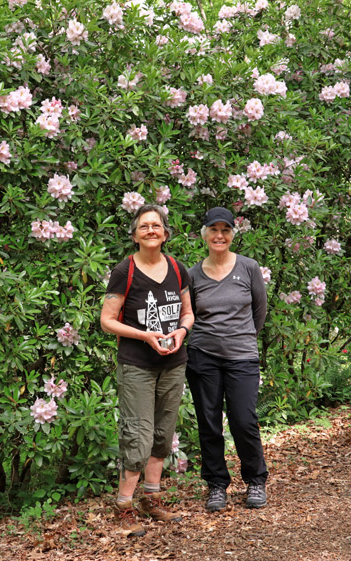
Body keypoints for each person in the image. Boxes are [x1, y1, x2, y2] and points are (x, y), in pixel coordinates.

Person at [100, 204, 194, 537]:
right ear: (135, 235)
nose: (151, 230)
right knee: (137, 435)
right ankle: (124, 504)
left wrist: (181, 332)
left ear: (165, 233)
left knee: (163, 433)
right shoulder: (124, 271)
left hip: (173, 363)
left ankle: (151, 500)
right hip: (137, 364)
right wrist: (145, 336)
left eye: (156, 225)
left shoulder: (177, 268)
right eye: (144, 226)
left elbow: (188, 313)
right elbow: (107, 320)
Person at [186, 206, 269, 511]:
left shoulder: (248, 267)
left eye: (225, 230)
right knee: (209, 424)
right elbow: (189, 314)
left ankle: (256, 480)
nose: (219, 236)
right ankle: (217, 485)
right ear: (204, 234)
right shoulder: (193, 274)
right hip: (203, 357)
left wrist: (242, 338)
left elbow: (259, 312)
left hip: (242, 358)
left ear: (233, 234)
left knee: (244, 420)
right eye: (214, 230)